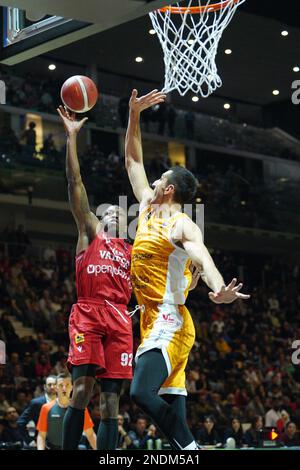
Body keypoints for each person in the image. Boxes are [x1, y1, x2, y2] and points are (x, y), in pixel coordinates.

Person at [125, 88, 250, 451]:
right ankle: (189, 451)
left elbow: (203, 256)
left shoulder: (182, 224)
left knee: (139, 392)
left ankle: (194, 450)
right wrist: (134, 116)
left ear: (169, 188)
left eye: (160, 178)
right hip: (151, 319)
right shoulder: (148, 206)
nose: (154, 181)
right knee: (173, 417)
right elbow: (133, 162)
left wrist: (219, 287)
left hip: (171, 321)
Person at [57, 106, 133, 450]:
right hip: (88, 313)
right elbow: (75, 182)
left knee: (111, 404)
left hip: (120, 318)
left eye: (121, 210)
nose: (116, 211)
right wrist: (71, 138)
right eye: (111, 209)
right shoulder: (89, 232)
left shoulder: (131, 251)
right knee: (81, 392)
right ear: (100, 216)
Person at [36, 372, 96, 450]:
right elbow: (41, 435)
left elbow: (90, 434)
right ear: (56, 387)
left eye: (67, 385)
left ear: (72, 387)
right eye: (61, 385)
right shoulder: (46, 408)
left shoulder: (80, 408)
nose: (64, 388)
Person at [17, 375, 57, 445]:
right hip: (42, 442)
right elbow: (20, 422)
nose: (52, 387)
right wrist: (30, 441)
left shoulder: (64, 402)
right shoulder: (36, 403)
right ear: (44, 387)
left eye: (54, 385)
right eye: (49, 385)